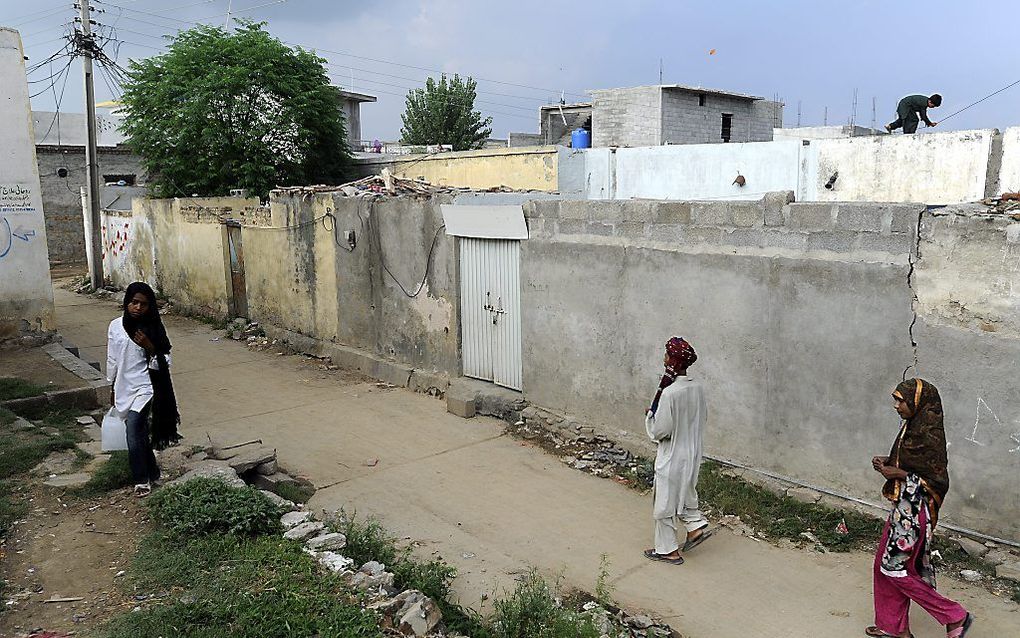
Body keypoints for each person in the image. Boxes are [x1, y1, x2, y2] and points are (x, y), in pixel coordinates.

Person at [866, 378, 973, 638]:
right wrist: (889, 462)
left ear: (917, 402)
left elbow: (935, 481)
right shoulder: (912, 428)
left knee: (895, 568)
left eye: (901, 400)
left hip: (915, 512)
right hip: (902, 507)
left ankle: (955, 616)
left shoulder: (930, 437)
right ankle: (894, 628)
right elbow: (912, 465)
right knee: (883, 564)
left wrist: (897, 473)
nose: (896, 406)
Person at [106, 282, 181, 497]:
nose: (138, 308)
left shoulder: (153, 327)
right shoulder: (115, 326)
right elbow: (112, 358)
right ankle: (153, 470)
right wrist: (111, 386)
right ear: (126, 302)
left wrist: (150, 347)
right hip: (123, 386)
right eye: (134, 302)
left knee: (134, 427)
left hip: (146, 386)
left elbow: (165, 359)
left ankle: (141, 479)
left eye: (143, 304)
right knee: (138, 432)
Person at [643, 336, 712, 565]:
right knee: (686, 491)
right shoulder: (698, 388)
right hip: (692, 453)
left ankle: (668, 550)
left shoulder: (670, 393)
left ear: (671, 360)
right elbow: (699, 418)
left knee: (664, 502)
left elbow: (660, 431)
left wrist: (651, 416)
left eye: (665, 354)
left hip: (672, 455)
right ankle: (695, 526)